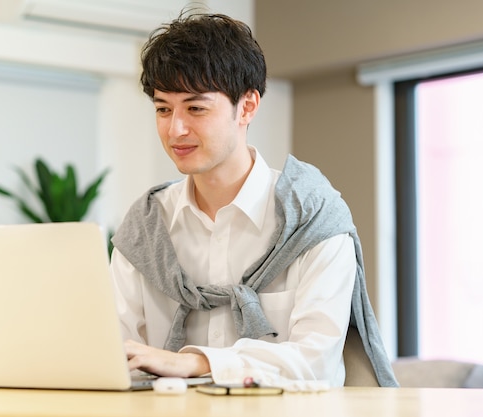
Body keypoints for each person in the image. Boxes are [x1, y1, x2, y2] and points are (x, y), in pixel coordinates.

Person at [110, 10, 398, 388]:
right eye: (163, 109)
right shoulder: (146, 226)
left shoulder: (313, 219)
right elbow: (115, 352)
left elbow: (316, 363)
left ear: (247, 106)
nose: (175, 128)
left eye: (196, 108)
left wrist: (197, 363)